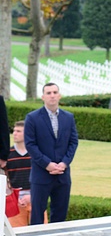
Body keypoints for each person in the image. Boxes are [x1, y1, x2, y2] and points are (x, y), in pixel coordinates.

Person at [23, 83, 79, 224]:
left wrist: (64, 163)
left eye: (55, 92)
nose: (52, 95)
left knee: (60, 215)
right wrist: (47, 164)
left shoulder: (68, 117)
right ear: (43, 97)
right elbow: (30, 144)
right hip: (41, 175)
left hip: (62, 175)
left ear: (59, 95)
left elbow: (73, 142)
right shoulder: (32, 118)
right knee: (37, 216)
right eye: (48, 93)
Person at [6, 121, 33, 218]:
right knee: (16, 232)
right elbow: (4, 179)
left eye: (18, 131)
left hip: (35, 198)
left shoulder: (36, 154)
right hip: (15, 200)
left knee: (41, 230)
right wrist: (14, 198)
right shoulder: (7, 154)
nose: (14, 134)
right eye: (14, 131)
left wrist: (32, 196)